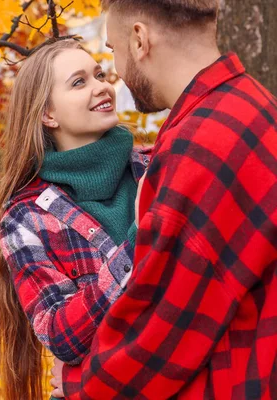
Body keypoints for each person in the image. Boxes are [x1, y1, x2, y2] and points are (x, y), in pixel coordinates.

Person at [51, 0, 277, 398]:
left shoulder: (199, 146)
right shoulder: (254, 103)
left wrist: (78, 383)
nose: (116, 73)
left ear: (139, 39)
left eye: (112, 51)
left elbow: (163, 328)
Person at [0, 38, 150, 400]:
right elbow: (61, 334)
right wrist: (141, 236)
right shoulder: (24, 217)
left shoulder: (157, 168)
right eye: (79, 82)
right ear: (48, 114)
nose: (102, 86)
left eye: (99, 74)